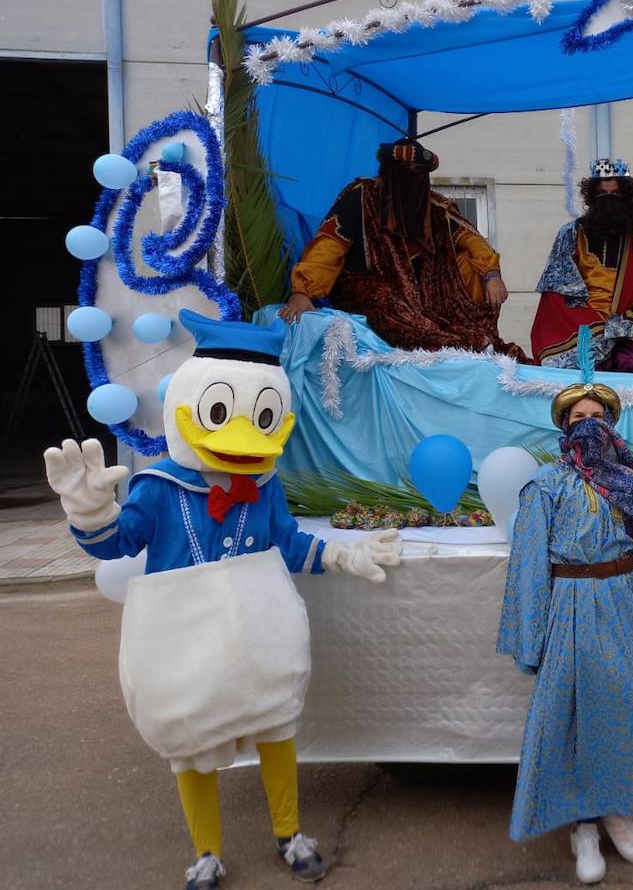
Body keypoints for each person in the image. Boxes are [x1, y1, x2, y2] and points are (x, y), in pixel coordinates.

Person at [43, 310, 401, 890]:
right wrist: (89, 513)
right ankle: (206, 852)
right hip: (183, 636)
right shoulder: (158, 488)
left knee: (276, 724)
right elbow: (118, 543)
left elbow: (287, 541)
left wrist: (342, 554)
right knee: (192, 739)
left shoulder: (264, 486)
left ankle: (290, 833)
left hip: (259, 628)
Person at [498, 329, 633, 885]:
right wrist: (530, 636)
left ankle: (624, 814)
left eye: (597, 416)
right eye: (578, 417)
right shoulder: (546, 485)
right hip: (571, 604)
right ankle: (581, 824)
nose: (589, 425)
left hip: (623, 601)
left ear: (610, 425)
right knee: (571, 713)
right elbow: (530, 564)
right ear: (564, 429)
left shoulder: (630, 483)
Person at [280, 140, 523, 356]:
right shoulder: (362, 198)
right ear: (387, 175)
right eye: (403, 175)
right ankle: (447, 345)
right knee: (384, 297)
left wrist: (492, 275)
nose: (410, 181)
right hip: (370, 287)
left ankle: (470, 340)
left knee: (470, 267)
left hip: (424, 296)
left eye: (417, 174)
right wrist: (303, 292)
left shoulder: (436, 208)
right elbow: (328, 246)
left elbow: (473, 241)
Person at [530, 159, 633, 371]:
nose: (609, 201)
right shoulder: (570, 235)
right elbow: (555, 295)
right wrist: (594, 327)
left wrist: (623, 323)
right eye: (602, 195)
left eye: (616, 195)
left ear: (629, 197)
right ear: (592, 197)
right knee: (578, 369)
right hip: (580, 328)